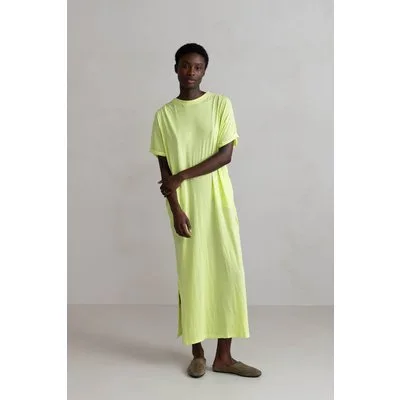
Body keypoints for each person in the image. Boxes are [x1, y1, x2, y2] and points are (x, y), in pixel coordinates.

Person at [150, 43, 261, 378]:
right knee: (192, 274)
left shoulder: (220, 105)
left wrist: (182, 176)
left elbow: (226, 155)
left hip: (217, 200)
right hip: (184, 205)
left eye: (197, 67)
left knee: (228, 270)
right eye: (185, 65)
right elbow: (164, 171)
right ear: (175, 68)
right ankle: (197, 353)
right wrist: (175, 208)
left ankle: (224, 357)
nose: (191, 72)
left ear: (204, 71)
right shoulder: (164, 115)